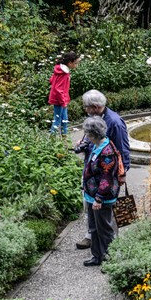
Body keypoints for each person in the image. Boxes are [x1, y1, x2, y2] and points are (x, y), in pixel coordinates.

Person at [74, 89, 130, 250]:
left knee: (107, 210)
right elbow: (90, 138)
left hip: (106, 174)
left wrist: (123, 173)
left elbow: (123, 149)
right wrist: (83, 143)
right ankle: (92, 237)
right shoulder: (95, 117)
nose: (85, 110)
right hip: (92, 172)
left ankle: (111, 246)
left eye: (87, 107)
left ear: (96, 106)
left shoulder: (115, 122)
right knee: (89, 205)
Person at [80, 116, 121, 266]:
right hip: (92, 196)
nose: (86, 137)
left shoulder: (107, 151)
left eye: (87, 134)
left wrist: (98, 198)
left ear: (93, 134)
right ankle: (97, 256)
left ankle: (110, 260)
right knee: (94, 228)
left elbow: (107, 177)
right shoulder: (96, 146)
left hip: (101, 198)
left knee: (105, 230)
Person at [49, 52, 80, 136]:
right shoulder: (64, 74)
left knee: (65, 119)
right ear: (70, 63)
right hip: (60, 100)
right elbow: (58, 89)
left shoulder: (59, 70)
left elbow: (51, 80)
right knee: (57, 120)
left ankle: (65, 139)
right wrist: (63, 102)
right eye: (76, 63)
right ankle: (51, 139)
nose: (76, 65)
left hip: (61, 99)